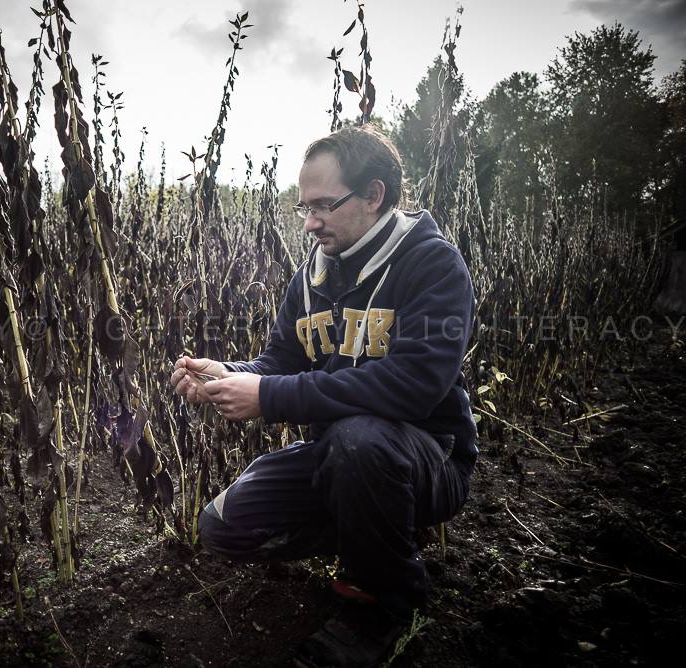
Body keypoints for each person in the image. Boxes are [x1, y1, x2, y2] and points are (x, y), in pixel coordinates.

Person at [170, 124, 477, 667]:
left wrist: (269, 396)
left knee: (360, 439)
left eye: (323, 206)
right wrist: (228, 373)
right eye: (302, 208)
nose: (309, 223)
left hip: (425, 459)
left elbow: (413, 386)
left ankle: (385, 603)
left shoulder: (432, 265)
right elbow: (279, 365)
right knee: (223, 528)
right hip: (341, 457)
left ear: (374, 195)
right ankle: (380, 536)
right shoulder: (310, 278)